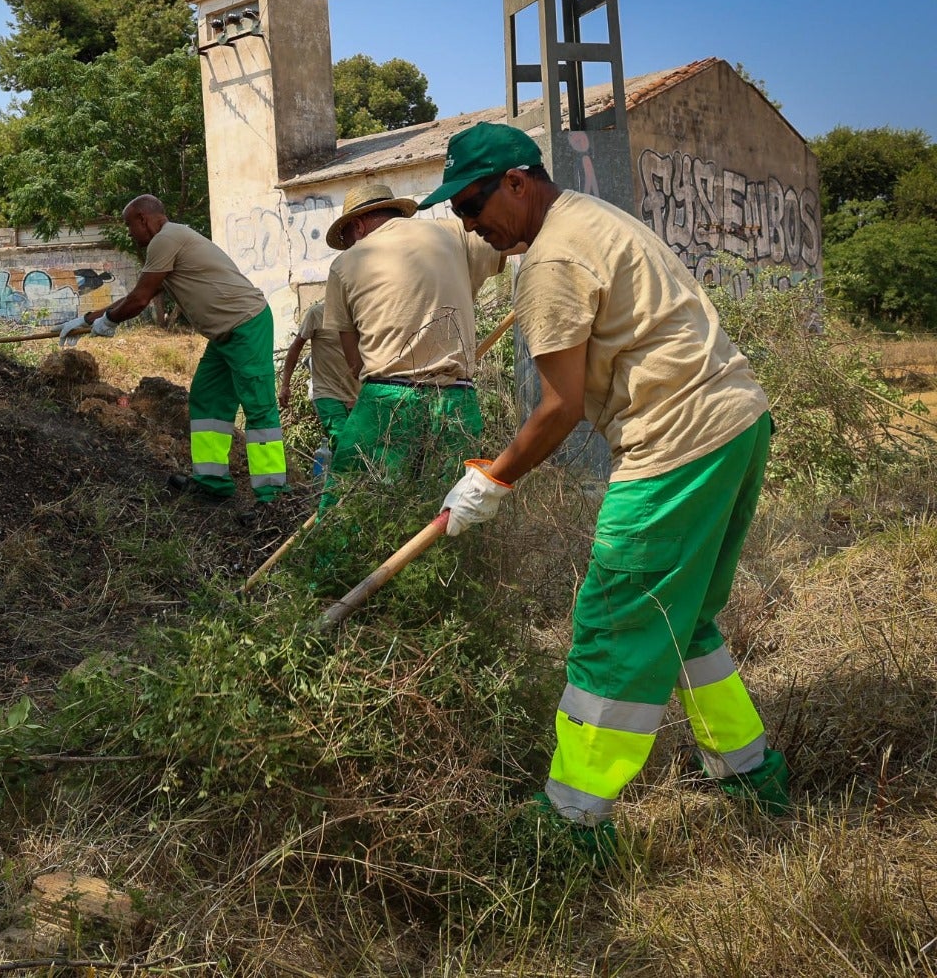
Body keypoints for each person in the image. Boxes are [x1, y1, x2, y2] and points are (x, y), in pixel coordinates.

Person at [419, 121, 789, 850]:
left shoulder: (551, 262)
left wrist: (490, 481)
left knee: (613, 629)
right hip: (737, 422)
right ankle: (750, 774)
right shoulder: (593, 216)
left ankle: (572, 821)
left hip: (678, 444)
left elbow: (557, 410)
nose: (469, 225)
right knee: (683, 623)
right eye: (458, 214)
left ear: (518, 182)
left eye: (472, 205)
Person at [60, 194, 288, 516]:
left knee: (259, 407)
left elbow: (140, 299)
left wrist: (109, 322)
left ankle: (272, 497)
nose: (129, 234)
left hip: (246, 326)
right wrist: (86, 320)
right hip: (226, 333)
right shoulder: (173, 240)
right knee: (207, 400)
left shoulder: (165, 240)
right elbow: (138, 294)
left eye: (129, 226)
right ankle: (212, 482)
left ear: (143, 219)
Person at [318, 182, 505, 511]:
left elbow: (353, 360)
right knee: (449, 511)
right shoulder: (456, 235)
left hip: (386, 401)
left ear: (358, 226)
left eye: (346, 239)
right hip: (458, 401)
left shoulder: (345, 265)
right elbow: (513, 244)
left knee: (351, 507)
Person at [277, 299, 359, 469]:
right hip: (326, 392)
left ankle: (331, 481)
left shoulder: (361, 315)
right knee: (344, 442)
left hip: (357, 394)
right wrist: (285, 385)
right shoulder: (317, 314)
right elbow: (295, 348)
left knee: (358, 446)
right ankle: (337, 492)